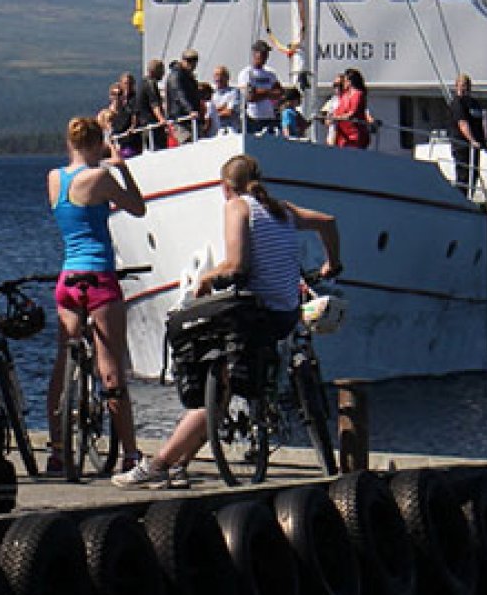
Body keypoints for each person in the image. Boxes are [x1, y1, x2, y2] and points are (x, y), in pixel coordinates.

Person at [114, 154, 342, 488]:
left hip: (256, 315)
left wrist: (206, 279)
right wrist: (331, 265)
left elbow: (237, 267)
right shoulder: (282, 208)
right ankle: (181, 464)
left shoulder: (237, 207)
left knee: (211, 370)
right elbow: (328, 221)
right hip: (285, 312)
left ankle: (160, 463)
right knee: (225, 375)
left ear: (225, 187)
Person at [45, 116, 148, 474]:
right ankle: (131, 454)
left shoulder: (54, 178)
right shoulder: (101, 178)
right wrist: (122, 169)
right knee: (111, 368)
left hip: (68, 277)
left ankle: (57, 449)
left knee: (62, 363)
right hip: (99, 276)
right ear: (96, 143)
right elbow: (138, 207)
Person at [451, 73, 487, 196]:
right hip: (462, 145)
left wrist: (484, 142)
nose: (465, 88)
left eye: (467, 85)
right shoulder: (457, 103)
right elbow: (463, 123)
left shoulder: (474, 103)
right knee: (463, 175)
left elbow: (481, 122)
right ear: (457, 86)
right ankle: (461, 199)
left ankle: (469, 198)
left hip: (474, 147)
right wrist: (472, 140)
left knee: (473, 175)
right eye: (462, 85)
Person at [238, 41, 283, 135]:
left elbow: (280, 93)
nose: (265, 56)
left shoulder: (271, 74)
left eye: (266, 54)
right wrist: (269, 93)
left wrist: (261, 92)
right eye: (262, 53)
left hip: (269, 117)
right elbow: (250, 96)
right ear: (255, 54)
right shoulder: (247, 73)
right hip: (253, 118)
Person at [164, 49, 204, 144]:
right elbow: (179, 95)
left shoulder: (188, 76)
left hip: (190, 120)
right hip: (179, 119)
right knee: (187, 143)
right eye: (188, 60)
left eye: (194, 61)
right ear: (183, 60)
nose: (192, 64)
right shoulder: (176, 76)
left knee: (197, 143)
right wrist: (190, 110)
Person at [332, 68, 372, 150]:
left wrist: (337, 118)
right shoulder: (344, 95)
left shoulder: (358, 94)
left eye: (345, 81)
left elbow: (353, 113)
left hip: (354, 136)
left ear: (350, 81)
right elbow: (338, 111)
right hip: (342, 136)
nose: (343, 83)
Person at [135, 59, 168, 151]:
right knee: (159, 150)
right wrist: (161, 119)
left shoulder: (141, 83)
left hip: (143, 123)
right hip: (152, 124)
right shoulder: (151, 83)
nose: (163, 74)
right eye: (162, 71)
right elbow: (154, 104)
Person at [209, 65, 242, 135]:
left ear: (227, 77)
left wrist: (214, 114)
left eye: (221, 75)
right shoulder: (212, 94)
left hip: (231, 131)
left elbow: (229, 112)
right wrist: (222, 108)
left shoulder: (234, 92)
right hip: (216, 132)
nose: (218, 78)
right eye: (216, 75)